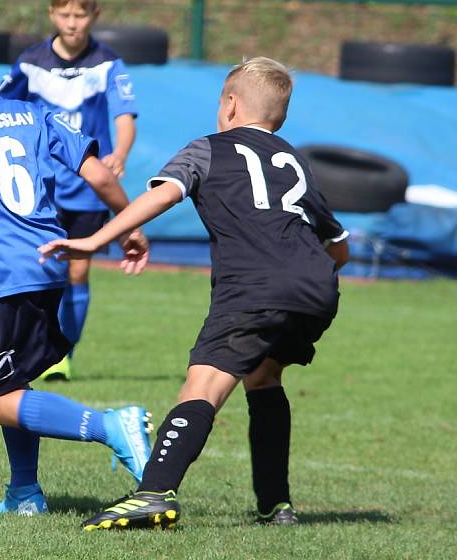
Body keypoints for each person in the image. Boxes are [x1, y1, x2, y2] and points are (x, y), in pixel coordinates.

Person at [38, 57, 350, 529]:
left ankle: (154, 492)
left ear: (230, 104)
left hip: (256, 285)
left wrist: (95, 240)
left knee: (204, 383)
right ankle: (275, 504)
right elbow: (339, 247)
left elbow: (164, 194)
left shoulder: (208, 149)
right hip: (315, 286)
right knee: (264, 377)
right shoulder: (294, 162)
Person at [0, 25, 152, 516]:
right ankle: (24, 492)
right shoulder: (32, 112)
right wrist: (128, 227)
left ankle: (111, 426)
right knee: (15, 382)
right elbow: (100, 174)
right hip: (47, 265)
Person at [0, 0, 138, 381]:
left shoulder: (108, 63)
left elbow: (124, 115)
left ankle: (62, 355)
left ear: (95, 14)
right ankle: (28, 344)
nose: (72, 23)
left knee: (77, 270)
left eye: (80, 14)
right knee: (36, 267)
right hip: (40, 186)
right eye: (64, 14)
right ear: (51, 14)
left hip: (89, 186)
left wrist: (120, 152)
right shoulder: (30, 63)